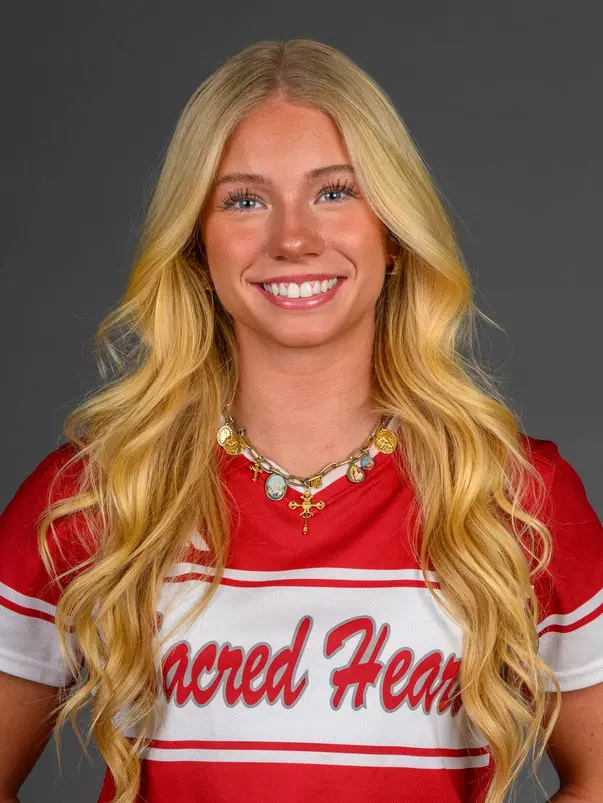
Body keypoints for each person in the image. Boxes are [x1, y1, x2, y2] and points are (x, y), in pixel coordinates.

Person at [0, 37, 601, 803]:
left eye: (334, 191)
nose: (292, 239)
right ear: (196, 245)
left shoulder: (513, 495)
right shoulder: (96, 493)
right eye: (244, 199)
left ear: (392, 232)